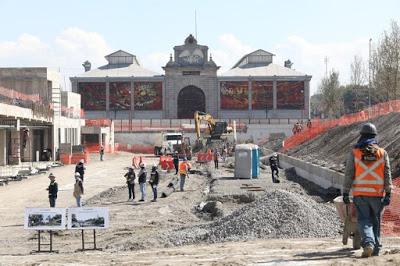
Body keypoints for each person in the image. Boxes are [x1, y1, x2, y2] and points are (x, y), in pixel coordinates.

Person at [343, 122, 392, 258]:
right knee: (376, 221)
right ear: (375, 136)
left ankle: (369, 243)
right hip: (377, 195)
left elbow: (349, 174)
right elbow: (387, 174)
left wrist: (345, 192)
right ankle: (376, 249)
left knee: (364, 220)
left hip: (360, 195)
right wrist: (388, 193)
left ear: (361, 136)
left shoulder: (355, 152)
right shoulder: (382, 153)